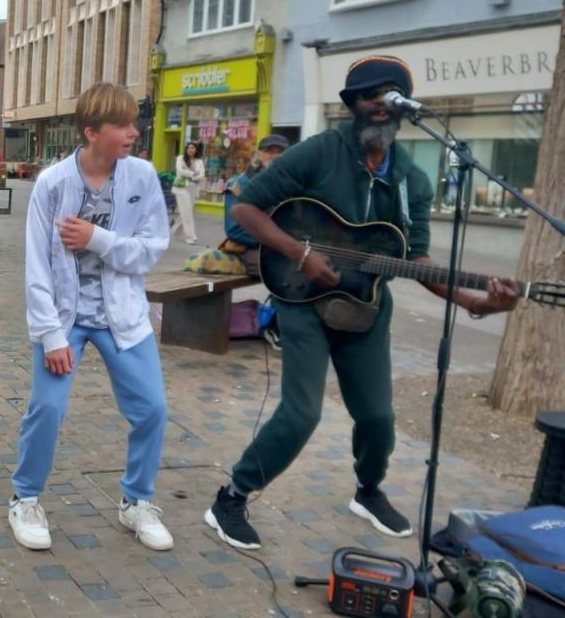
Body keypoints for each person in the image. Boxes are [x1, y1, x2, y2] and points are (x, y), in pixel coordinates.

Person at [205, 56, 520, 550]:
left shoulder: (411, 180)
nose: (379, 103)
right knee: (302, 413)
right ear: (353, 104)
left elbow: (416, 259)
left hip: (366, 307)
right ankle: (231, 496)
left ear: (403, 108)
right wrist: (300, 253)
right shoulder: (320, 152)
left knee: (378, 418)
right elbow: (245, 209)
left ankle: (368, 491)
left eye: (390, 94)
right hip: (302, 299)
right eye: (370, 95)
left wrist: (478, 302)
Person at [8, 82, 173, 553]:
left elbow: (153, 249)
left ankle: (136, 501)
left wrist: (97, 239)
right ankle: (25, 499)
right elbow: (37, 264)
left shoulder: (142, 177)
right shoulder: (53, 184)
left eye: (133, 123)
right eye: (121, 125)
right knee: (47, 408)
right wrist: (50, 334)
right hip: (65, 317)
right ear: (92, 132)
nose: (133, 132)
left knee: (152, 409)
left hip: (124, 315)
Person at [221, 133, 289, 276]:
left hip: (282, 248)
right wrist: (279, 241)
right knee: (289, 270)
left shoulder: (290, 184)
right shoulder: (238, 185)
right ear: (259, 154)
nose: (275, 156)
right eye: (269, 151)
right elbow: (235, 231)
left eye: (280, 152)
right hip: (250, 249)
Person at [171, 141, 205, 244]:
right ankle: (190, 237)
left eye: (193, 148)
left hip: (193, 188)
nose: (190, 149)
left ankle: (173, 232)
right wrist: (193, 174)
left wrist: (191, 176)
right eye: (189, 147)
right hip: (181, 187)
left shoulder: (199, 161)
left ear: (196, 150)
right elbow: (180, 171)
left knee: (186, 212)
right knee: (187, 213)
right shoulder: (180, 158)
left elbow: (201, 175)